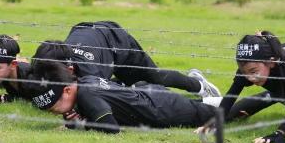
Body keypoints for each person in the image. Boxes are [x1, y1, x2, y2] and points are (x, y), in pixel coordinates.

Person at [31, 20, 220, 98]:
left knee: (153, 78)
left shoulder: (91, 71)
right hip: (93, 37)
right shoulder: (47, 62)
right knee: (131, 86)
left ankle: (199, 85)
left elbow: (104, 97)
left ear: (70, 69)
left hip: (118, 42)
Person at [28, 61, 219, 133]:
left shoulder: (86, 96)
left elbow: (111, 128)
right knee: (200, 107)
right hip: (152, 95)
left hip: (163, 111)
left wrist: (81, 124)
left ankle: (249, 103)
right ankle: (215, 99)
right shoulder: (86, 81)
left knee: (223, 112)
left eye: (55, 108)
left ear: (68, 91)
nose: (55, 112)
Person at [0, 35, 35, 103]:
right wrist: (8, 98)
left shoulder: (30, 79)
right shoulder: (5, 75)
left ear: (13, 65)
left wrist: (11, 99)